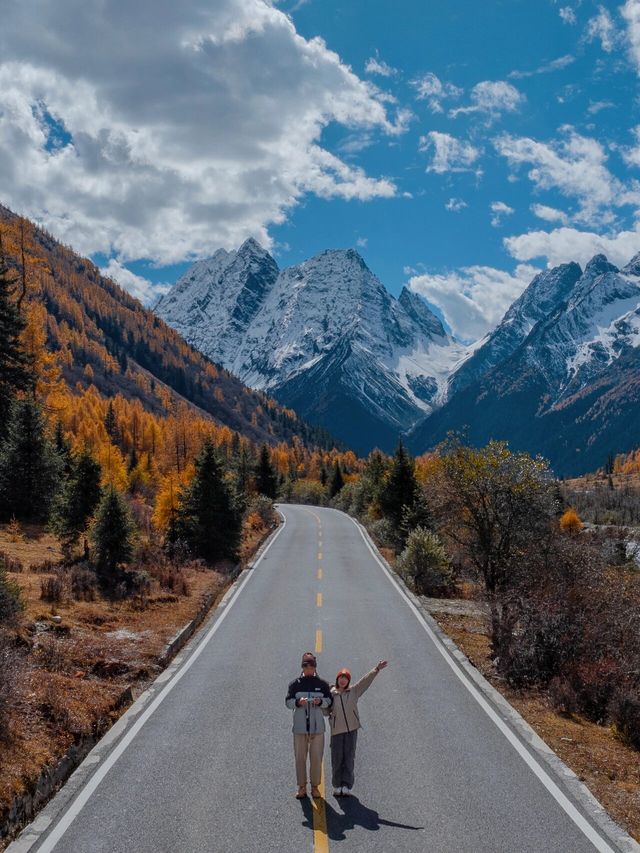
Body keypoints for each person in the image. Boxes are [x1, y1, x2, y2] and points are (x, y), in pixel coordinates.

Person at [329, 659, 388, 797]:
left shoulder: (354, 691)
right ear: (337, 679)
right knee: (337, 758)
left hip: (352, 730)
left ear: (348, 681)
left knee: (349, 758)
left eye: (345, 678)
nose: (343, 680)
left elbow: (365, 681)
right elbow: (326, 709)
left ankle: (347, 785)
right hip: (337, 731)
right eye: (341, 678)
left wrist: (376, 669)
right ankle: (337, 785)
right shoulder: (331, 694)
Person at [285, 652, 332, 799]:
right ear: (302, 667)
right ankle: (301, 787)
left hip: (317, 729)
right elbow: (288, 702)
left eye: (311, 665)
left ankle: (315, 787)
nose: (309, 668)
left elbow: (330, 701)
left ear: (315, 667)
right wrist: (298, 703)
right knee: (300, 758)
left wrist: (321, 702)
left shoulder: (322, 684)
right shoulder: (294, 684)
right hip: (300, 728)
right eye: (306, 665)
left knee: (317, 759)